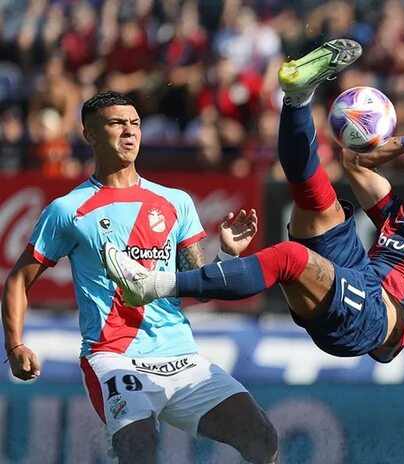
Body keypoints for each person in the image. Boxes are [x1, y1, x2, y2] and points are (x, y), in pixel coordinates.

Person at [103, 39, 404, 367]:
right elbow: (354, 159)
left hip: (378, 319)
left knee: (290, 255)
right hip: (356, 275)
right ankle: (296, 98)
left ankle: (154, 284)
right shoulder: (398, 217)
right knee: (313, 198)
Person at [1, 91, 278, 464]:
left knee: (262, 436)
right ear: (90, 134)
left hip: (180, 356)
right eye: (117, 123)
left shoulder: (175, 201)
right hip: (113, 358)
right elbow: (19, 279)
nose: (129, 132)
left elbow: (197, 283)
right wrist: (15, 345)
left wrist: (227, 253)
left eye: (135, 124)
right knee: (139, 451)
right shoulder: (67, 210)